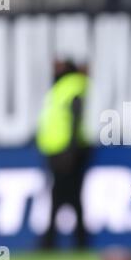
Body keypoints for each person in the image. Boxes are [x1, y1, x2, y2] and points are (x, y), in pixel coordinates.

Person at [36, 60, 91, 250]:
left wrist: (70, 152)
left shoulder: (72, 86)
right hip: (60, 151)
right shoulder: (62, 87)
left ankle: (50, 242)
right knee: (70, 198)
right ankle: (79, 242)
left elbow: (75, 120)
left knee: (61, 197)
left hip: (67, 153)